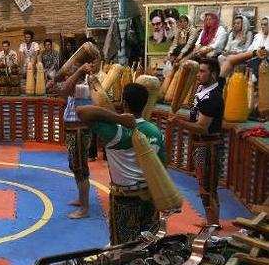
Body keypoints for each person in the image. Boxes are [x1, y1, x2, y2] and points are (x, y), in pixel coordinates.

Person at [77, 83, 164, 244]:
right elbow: (163, 166)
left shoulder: (116, 132)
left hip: (125, 199)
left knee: (123, 247)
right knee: (150, 243)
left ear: (124, 103)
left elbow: (81, 111)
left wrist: (117, 118)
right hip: (150, 196)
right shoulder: (155, 131)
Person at [170, 59, 224, 225]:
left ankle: (213, 225)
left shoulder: (212, 98)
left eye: (202, 71)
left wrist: (179, 122)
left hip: (208, 147)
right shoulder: (202, 90)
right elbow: (196, 118)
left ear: (213, 74)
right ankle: (211, 222)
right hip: (201, 146)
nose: (198, 75)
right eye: (198, 71)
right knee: (204, 184)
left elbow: (202, 127)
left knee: (206, 188)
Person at [53, 62, 93, 219]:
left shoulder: (84, 86)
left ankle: (84, 207)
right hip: (72, 131)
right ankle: (81, 199)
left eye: (71, 73)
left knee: (80, 168)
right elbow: (61, 89)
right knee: (75, 166)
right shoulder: (74, 85)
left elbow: (63, 89)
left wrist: (79, 71)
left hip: (79, 131)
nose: (67, 75)